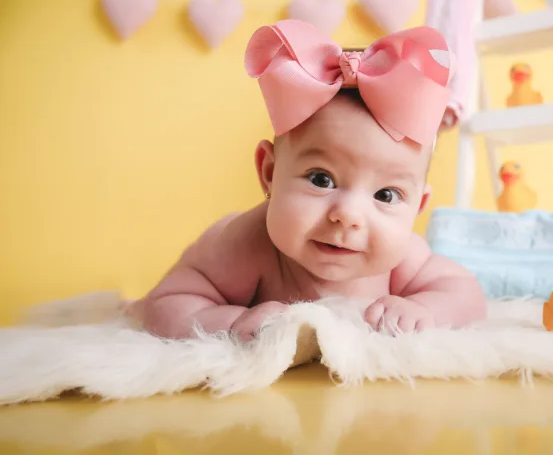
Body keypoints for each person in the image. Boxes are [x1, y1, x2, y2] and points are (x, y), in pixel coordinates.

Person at [132, 20, 486, 341]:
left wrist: (426, 311)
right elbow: (165, 303)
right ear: (269, 173)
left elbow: (466, 294)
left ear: (418, 207)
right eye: (321, 179)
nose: (347, 215)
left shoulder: (404, 259)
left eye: (386, 195)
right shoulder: (243, 245)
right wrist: (230, 323)